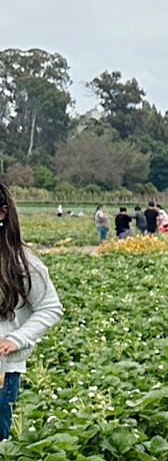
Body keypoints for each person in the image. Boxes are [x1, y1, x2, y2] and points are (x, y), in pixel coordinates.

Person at [0, 181, 64, 440]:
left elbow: (50, 307)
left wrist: (15, 339)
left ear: (2, 213)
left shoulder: (22, 263)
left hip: (2, 369)